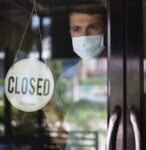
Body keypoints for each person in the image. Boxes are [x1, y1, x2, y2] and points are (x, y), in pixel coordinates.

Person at [44, 1, 107, 150]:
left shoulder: (124, 73)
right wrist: (48, 110)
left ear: (106, 29)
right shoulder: (66, 78)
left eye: (93, 27)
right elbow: (62, 140)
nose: (84, 36)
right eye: (77, 29)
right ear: (70, 33)